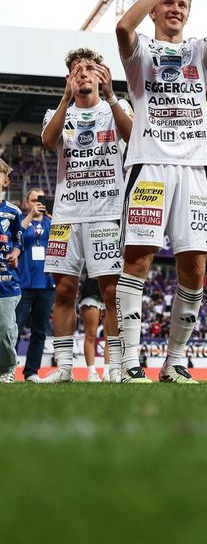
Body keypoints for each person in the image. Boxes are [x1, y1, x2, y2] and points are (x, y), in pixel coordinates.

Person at [115, 0, 207, 383]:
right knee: (139, 260)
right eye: (168, 3)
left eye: (180, 4)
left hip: (194, 170)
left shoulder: (199, 52)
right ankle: (130, 360)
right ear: (154, 10)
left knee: (195, 266)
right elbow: (122, 25)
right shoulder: (142, 53)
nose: (174, 7)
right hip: (149, 165)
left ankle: (176, 360)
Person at [34, 48, 132, 383]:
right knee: (63, 291)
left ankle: (116, 366)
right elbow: (48, 141)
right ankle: (63, 368)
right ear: (69, 78)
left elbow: (134, 136)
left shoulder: (115, 109)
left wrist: (112, 96)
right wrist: (65, 98)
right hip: (66, 215)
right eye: (77, 70)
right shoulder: (56, 112)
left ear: (101, 74)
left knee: (111, 293)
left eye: (90, 69)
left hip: (106, 213)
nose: (83, 74)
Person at [15, 188, 55, 379]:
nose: (37, 204)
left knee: (39, 332)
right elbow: (17, 235)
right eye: (33, 200)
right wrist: (31, 215)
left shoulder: (50, 222)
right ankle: (7, 369)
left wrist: (51, 214)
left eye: (40, 200)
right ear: (26, 203)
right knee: (14, 330)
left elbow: (64, 237)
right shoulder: (21, 220)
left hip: (46, 285)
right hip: (23, 284)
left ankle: (31, 371)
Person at [0, 160, 23, 382]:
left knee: (5, 329)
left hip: (6, 281)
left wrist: (15, 254)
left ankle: (7, 368)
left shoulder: (13, 212)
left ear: (5, 181)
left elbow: (19, 242)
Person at [79, 275, 106, 381]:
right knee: (90, 335)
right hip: (91, 290)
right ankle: (92, 373)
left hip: (110, 290)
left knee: (110, 336)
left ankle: (108, 372)